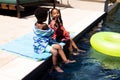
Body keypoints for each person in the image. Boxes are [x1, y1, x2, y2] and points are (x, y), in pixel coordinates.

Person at [33, 8, 76, 73]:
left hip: (45, 41)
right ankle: (55, 66)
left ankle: (65, 60)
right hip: (41, 44)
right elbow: (51, 32)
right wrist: (53, 26)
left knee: (58, 46)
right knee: (54, 52)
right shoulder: (44, 25)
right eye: (46, 16)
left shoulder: (36, 24)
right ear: (44, 17)